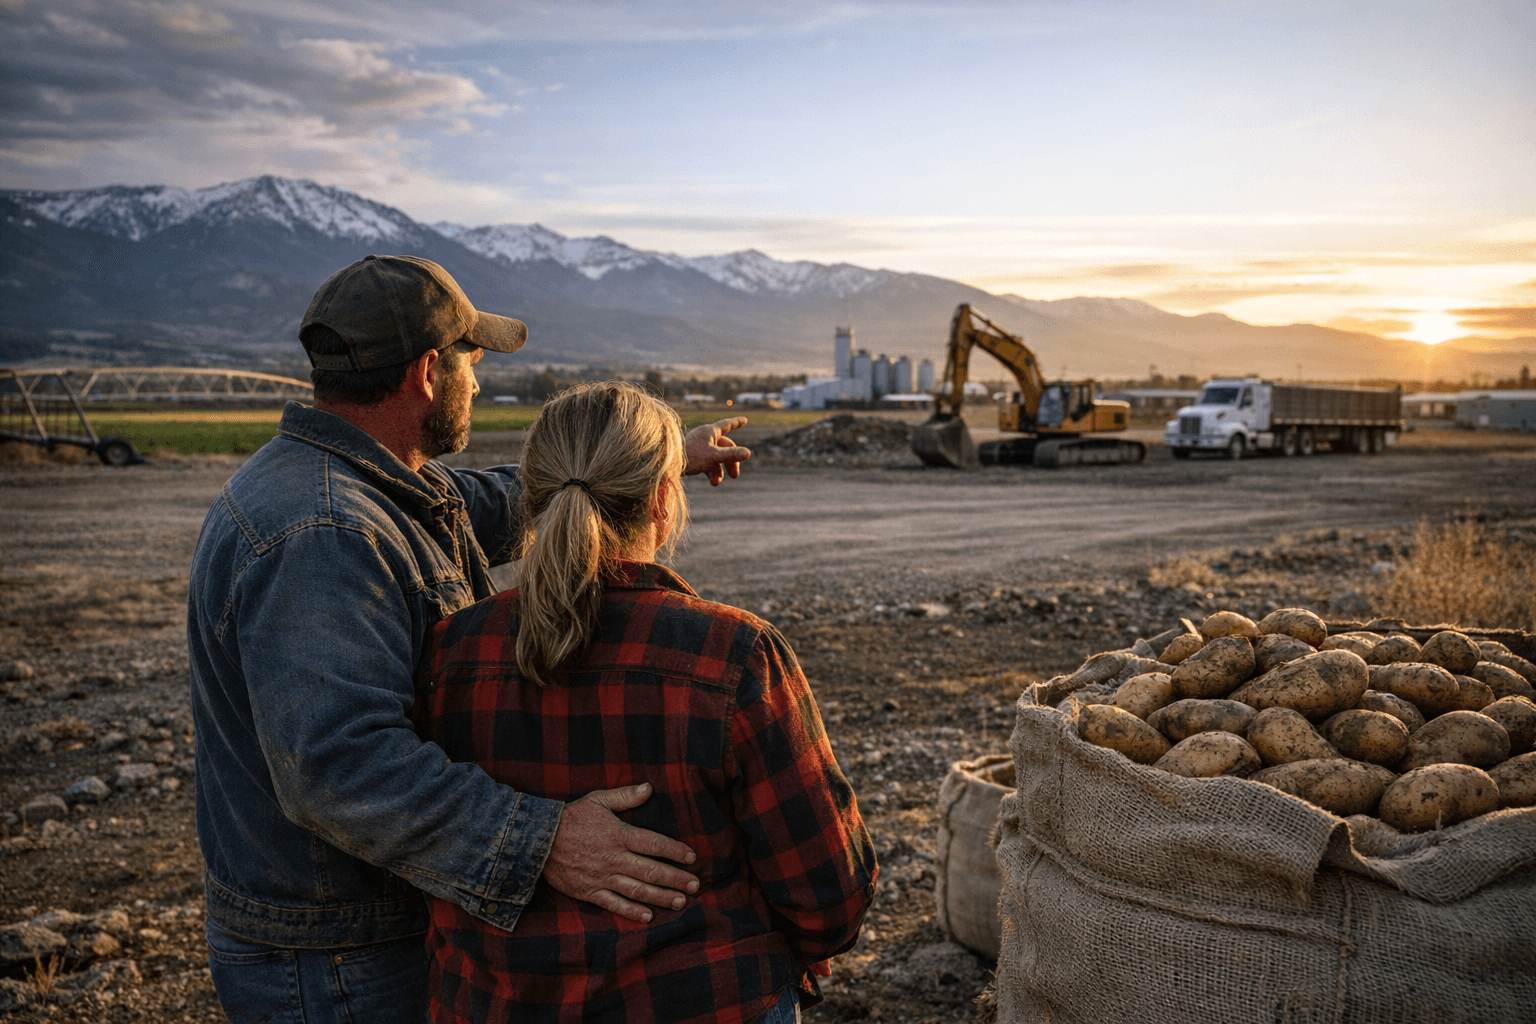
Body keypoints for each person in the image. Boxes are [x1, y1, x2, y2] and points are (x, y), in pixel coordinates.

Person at [187, 255, 751, 1024]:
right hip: (340, 965)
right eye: (473, 363)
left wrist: (649, 464)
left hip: (353, 940)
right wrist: (545, 843)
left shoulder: (364, 484)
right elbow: (338, 765)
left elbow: (490, 503)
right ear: (428, 371)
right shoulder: (323, 533)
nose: (478, 385)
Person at [416, 381, 876, 1024]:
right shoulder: (733, 654)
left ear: (532, 499)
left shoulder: (448, 651)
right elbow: (830, 893)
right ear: (664, 497)